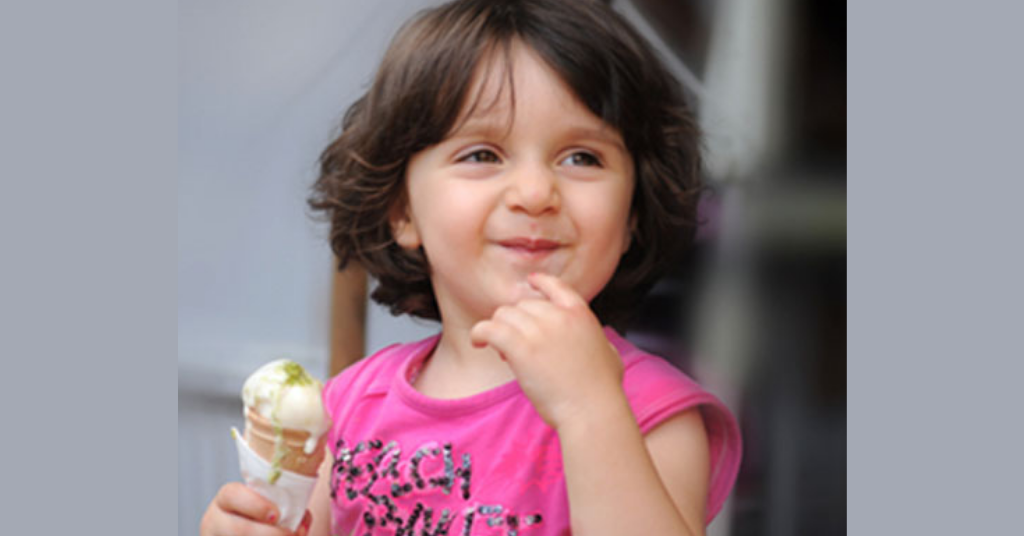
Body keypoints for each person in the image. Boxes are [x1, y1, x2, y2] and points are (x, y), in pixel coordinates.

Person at [201, 0, 741, 534]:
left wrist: (588, 409)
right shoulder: (349, 406)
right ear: (403, 211)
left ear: (633, 215)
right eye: (482, 154)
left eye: (582, 157)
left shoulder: (652, 413)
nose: (535, 193)